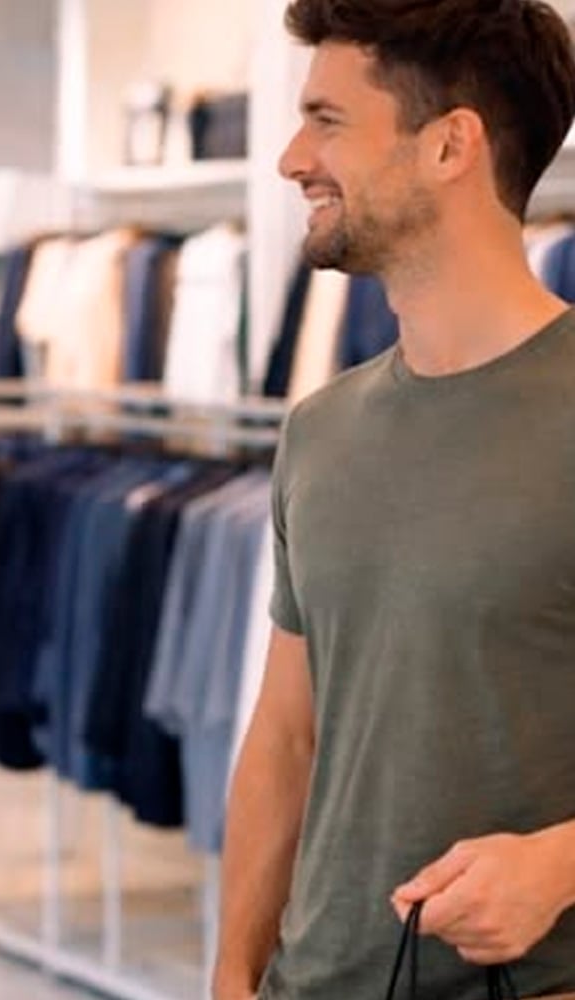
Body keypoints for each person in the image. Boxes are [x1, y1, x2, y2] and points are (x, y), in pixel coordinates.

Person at [213, 1, 575, 998]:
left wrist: (559, 864)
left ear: (450, 145)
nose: (291, 160)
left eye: (326, 121)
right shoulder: (318, 429)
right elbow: (285, 738)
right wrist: (233, 974)